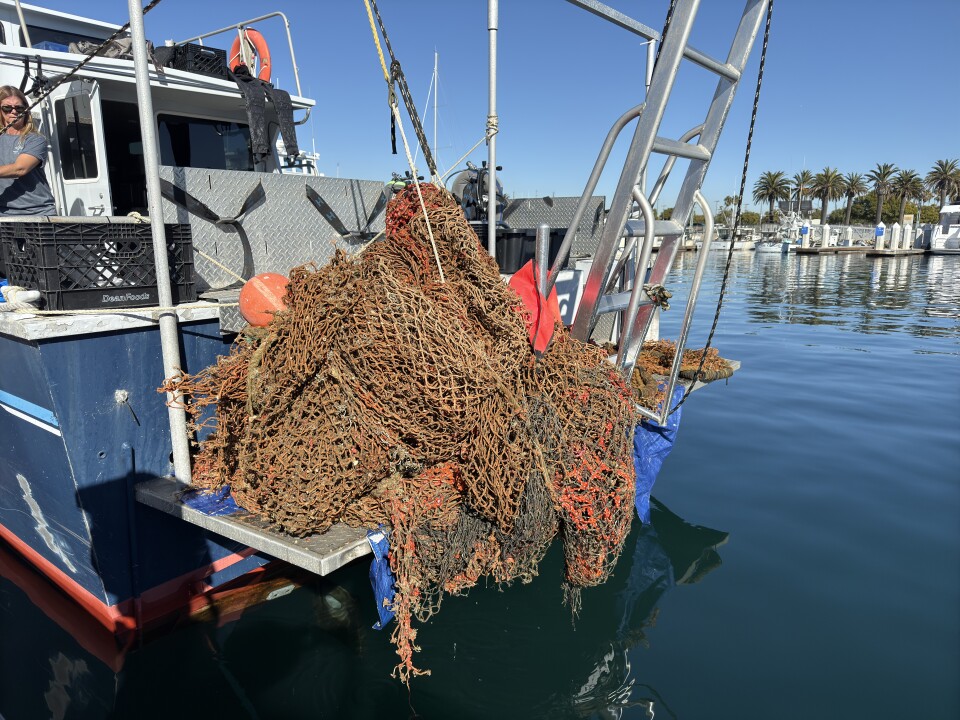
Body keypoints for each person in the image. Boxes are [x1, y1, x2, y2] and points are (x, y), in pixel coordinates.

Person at [0, 86, 56, 216]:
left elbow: (20, 169)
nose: (13, 111)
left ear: (26, 110)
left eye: (19, 108)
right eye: (7, 108)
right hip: (4, 213)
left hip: (37, 212)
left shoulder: (36, 139)